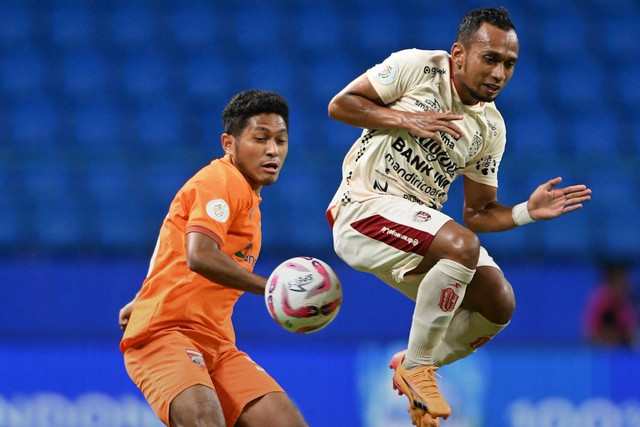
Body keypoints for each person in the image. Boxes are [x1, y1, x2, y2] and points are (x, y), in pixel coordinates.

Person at [326, 7, 591, 427]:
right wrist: (409, 119)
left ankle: (412, 363)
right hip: (363, 209)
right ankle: (421, 368)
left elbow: (479, 213)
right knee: (462, 246)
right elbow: (341, 105)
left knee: (498, 303)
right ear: (458, 54)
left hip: (414, 225)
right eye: (491, 59)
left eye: (509, 64)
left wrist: (526, 211)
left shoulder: (491, 129)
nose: (500, 73)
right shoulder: (417, 67)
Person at [118, 90, 308, 427]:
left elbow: (172, 245)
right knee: (205, 420)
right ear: (229, 143)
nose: (272, 150)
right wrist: (274, 288)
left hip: (217, 342)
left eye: (281, 140)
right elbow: (200, 255)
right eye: (260, 138)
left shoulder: (249, 199)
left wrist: (142, 298)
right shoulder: (221, 181)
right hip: (165, 335)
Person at [584, 261, 638, 347]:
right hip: (602, 352)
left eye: (625, 281)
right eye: (620, 281)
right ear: (611, 282)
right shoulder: (600, 302)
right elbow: (593, 336)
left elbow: (632, 333)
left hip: (624, 352)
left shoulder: (627, 303)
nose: (626, 285)